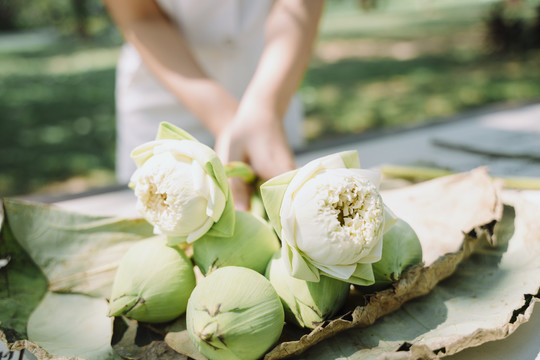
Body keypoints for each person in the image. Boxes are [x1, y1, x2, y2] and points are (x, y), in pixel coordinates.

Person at [104, 0, 325, 210]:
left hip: (271, 76)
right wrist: (232, 123)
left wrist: (266, 108)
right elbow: (139, 16)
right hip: (165, 92)